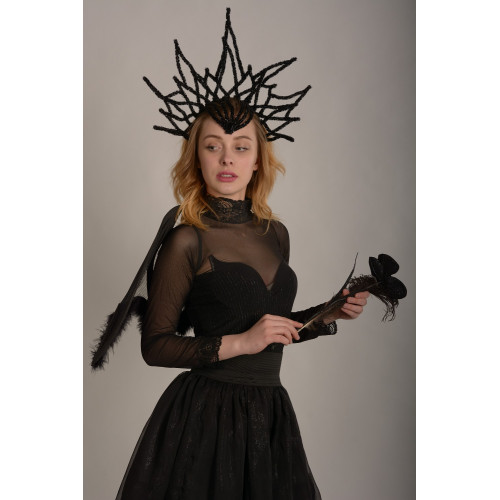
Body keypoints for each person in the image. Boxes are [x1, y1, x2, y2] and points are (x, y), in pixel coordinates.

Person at [92, 9, 370, 500]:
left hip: (270, 418)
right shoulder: (187, 239)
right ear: (196, 157)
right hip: (204, 420)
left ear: (258, 158)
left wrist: (329, 314)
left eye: (241, 147)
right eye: (213, 146)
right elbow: (156, 346)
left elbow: (270, 329)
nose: (227, 158)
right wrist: (240, 342)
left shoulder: (276, 234)